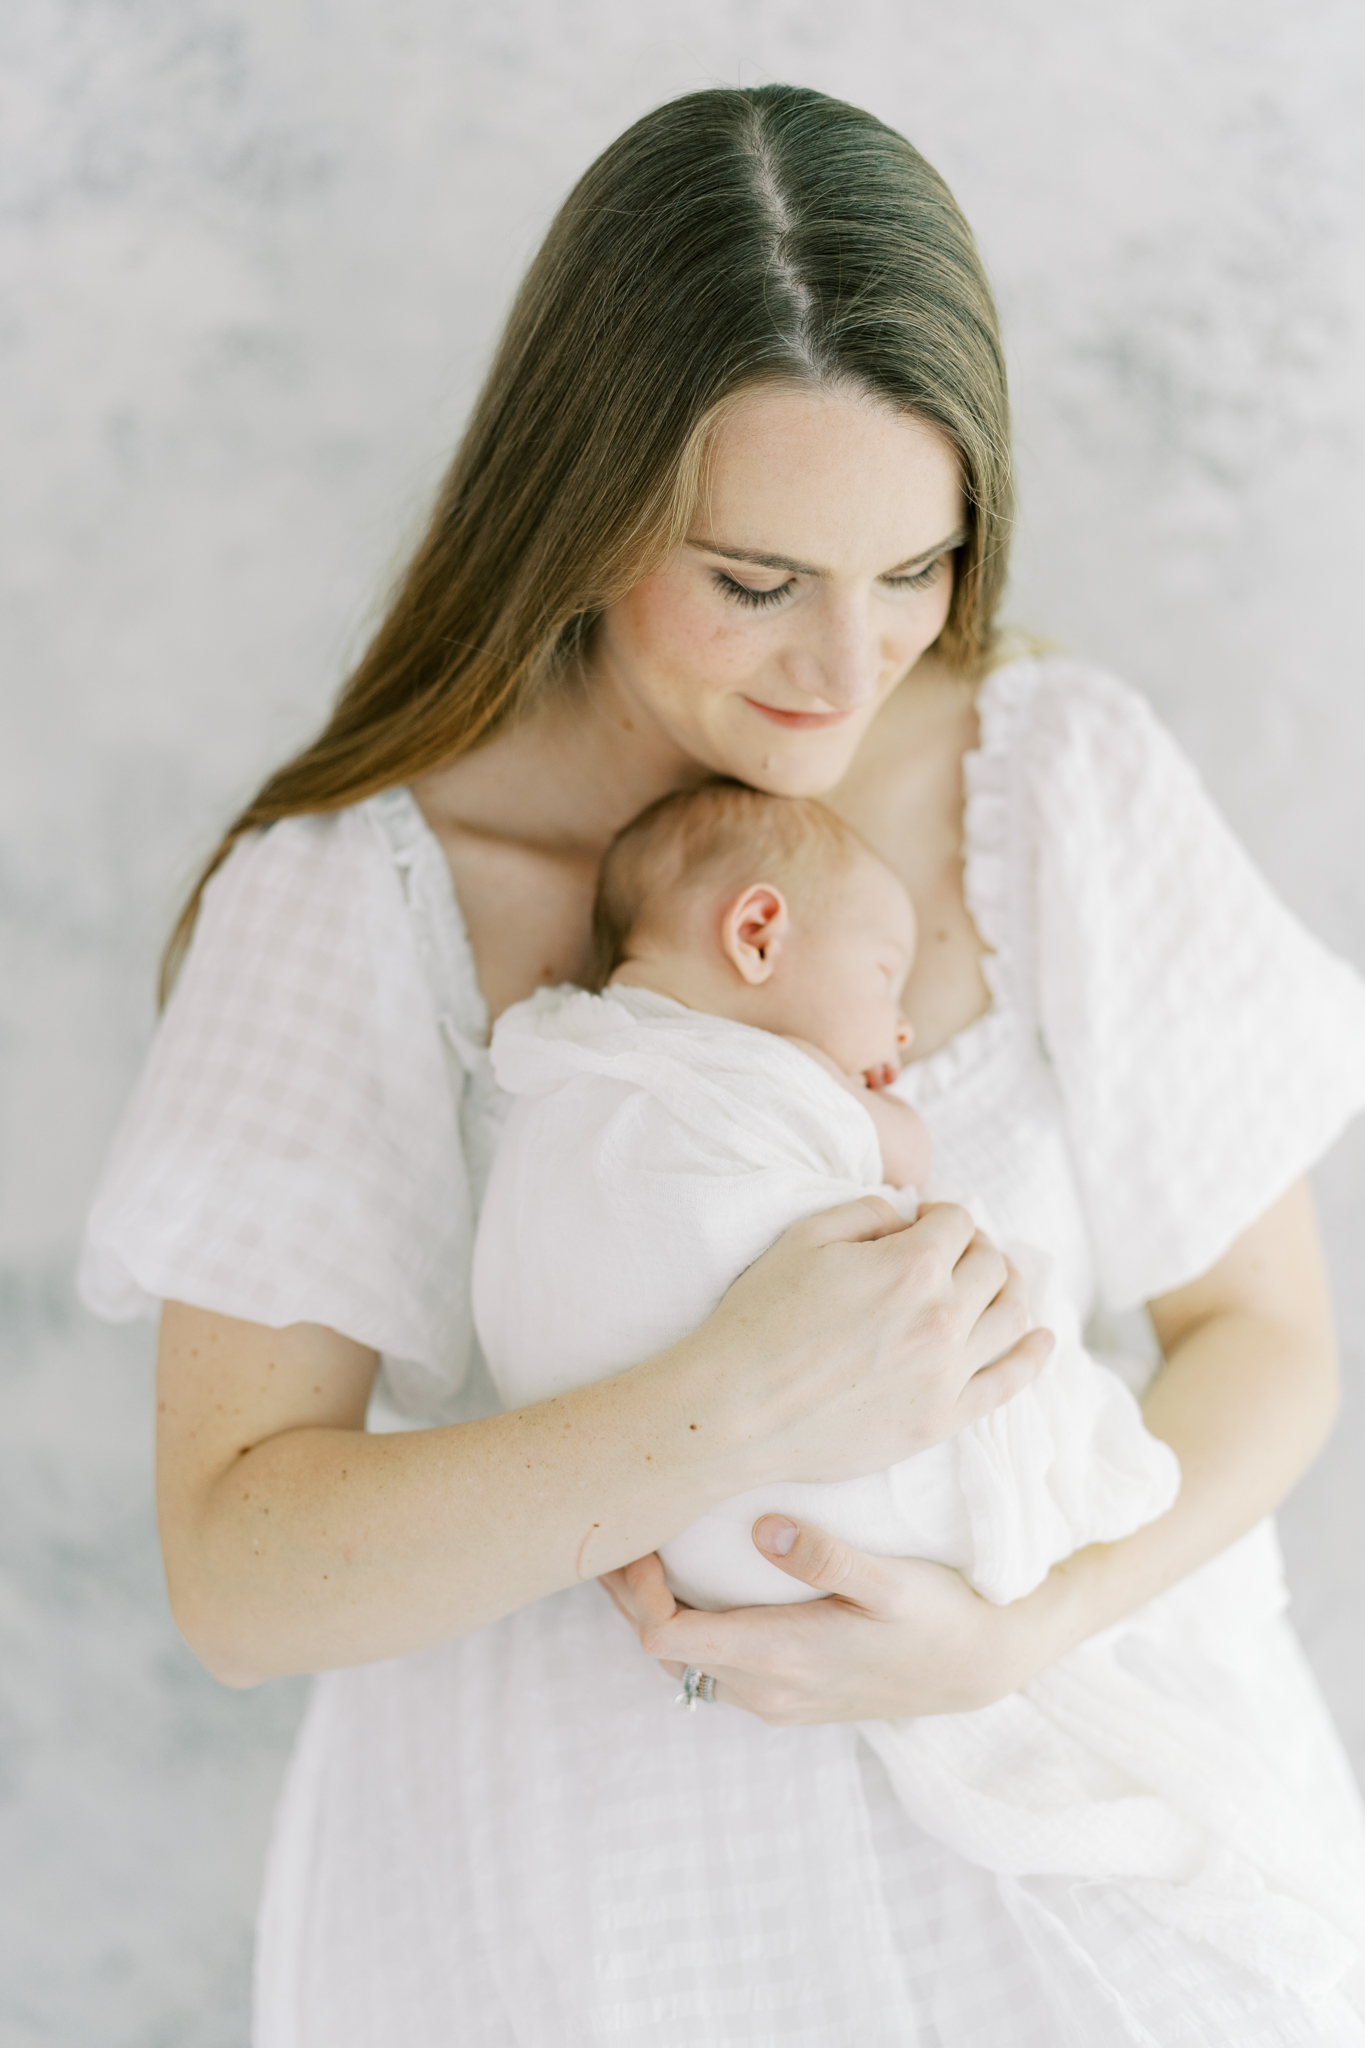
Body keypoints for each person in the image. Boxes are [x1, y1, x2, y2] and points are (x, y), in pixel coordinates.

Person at [78, 82, 1365, 2045]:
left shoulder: (1054, 778)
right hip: (582, 1920)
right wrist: (725, 1401)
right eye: (756, 582)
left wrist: (1012, 1634)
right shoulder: (356, 899)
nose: (841, 676)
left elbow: (1264, 1339)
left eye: (912, 573)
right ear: (580, 512)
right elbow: (241, 1573)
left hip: (1084, 1868)